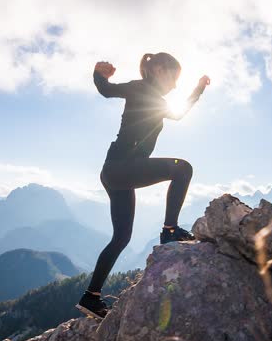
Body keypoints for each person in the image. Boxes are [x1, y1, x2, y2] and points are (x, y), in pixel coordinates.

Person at [75, 52, 210, 320]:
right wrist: (98, 74)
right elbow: (107, 90)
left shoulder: (156, 101)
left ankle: (90, 297)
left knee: (122, 237)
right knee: (182, 168)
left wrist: (198, 89)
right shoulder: (138, 87)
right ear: (159, 70)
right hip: (121, 168)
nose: (174, 85)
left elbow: (179, 114)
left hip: (117, 171)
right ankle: (169, 230)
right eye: (174, 78)